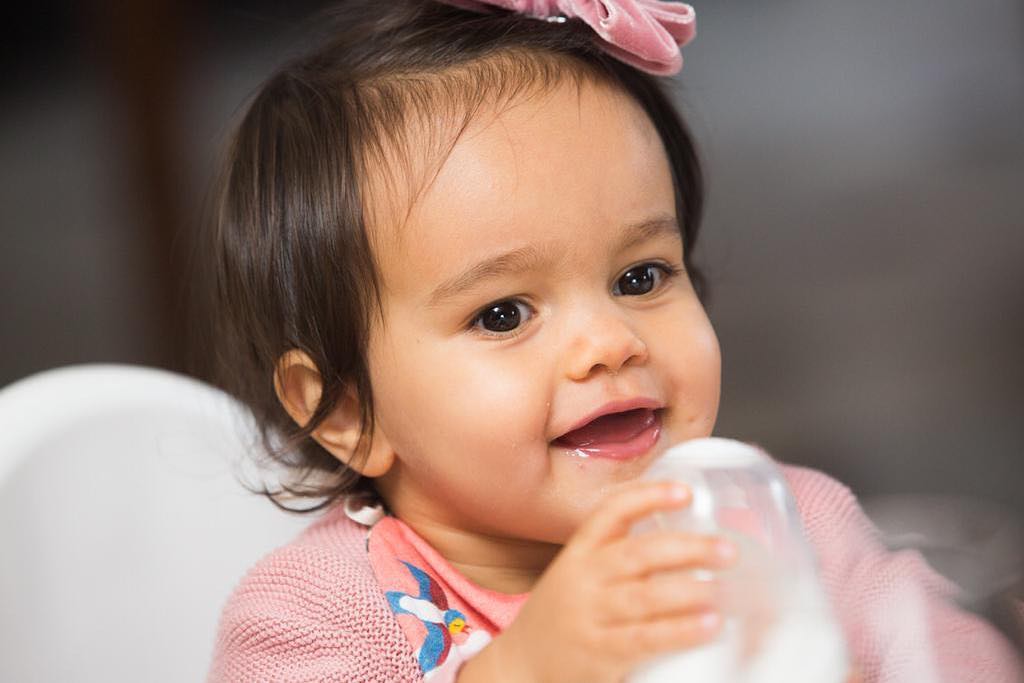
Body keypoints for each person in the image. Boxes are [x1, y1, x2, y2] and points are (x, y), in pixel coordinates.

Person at [198, 1, 1024, 680]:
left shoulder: (788, 523)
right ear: (345, 409)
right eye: (504, 314)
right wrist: (524, 670)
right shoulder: (314, 612)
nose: (609, 342)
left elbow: (953, 648)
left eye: (640, 277)